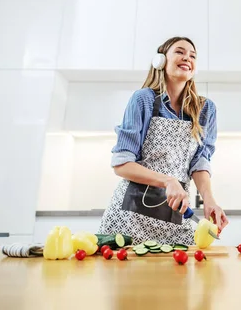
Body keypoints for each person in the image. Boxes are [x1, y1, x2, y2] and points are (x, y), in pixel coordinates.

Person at [97, 36, 228, 245]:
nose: (187, 57)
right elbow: (121, 164)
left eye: (192, 55)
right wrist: (168, 180)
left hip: (176, 214)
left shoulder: (205, 110)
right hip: (129, 216)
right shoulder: (144, 100)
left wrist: (209, 200)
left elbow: (200, 163)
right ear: (160, 60)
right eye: (180, 52)